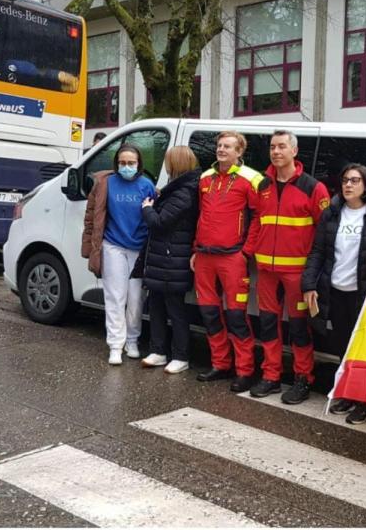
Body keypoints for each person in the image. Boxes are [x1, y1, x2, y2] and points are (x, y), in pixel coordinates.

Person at [301, 163, 366, 424]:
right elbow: (318, 251)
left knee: (364, 348)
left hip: (363, 293)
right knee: (342, 345)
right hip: (335, 291)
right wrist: (309, 284)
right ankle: (350, 393)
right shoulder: (332, 214)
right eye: (345, 181)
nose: (348, 185)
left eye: (355, 181)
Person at [245, 130, 330, 404]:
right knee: (268, 325)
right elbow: (258, 221)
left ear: (294, 151)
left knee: (298, 328)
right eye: (272, 147)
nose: (276, 152)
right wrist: (250, 252)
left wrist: (314, 273)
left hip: (297, 273)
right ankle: (271, 376)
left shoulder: (313, 188)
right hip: (267, 272)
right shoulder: (263, 184)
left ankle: (303, 378)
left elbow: (323, 232)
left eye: (282, 147)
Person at [193, 131, 265, 391]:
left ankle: (245, 370)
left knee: (236, 316)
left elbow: (259, 217)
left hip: (233, 257)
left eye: (228, 146)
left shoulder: (252, 179)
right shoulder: (205, 178)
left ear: (239, 152)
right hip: (204, 256)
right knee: (209, 314)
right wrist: (195, 248)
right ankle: (220, 364)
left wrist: (246, 251)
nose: (222, 150)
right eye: (220, 145)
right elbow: (200, 215)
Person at [81, 145, 157, 365]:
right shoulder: (106, 183)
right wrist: (89, 244)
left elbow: (153, 215)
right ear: (116, 163)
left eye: (131, 163)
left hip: (139, 248)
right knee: (115, 297)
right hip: (112, 245)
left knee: (135, 299)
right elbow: (92, 214)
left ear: (139, 164)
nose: (126, 167)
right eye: (122, 163)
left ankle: (132, 340)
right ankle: (115, 344)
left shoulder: (147, 186)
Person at [139, 146, 202, 374]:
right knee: (156, 306)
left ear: (175, 164)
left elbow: (160, 222)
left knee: (175, 310)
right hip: (163, 258)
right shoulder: (178, 189)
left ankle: (181, 356)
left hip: (172, 259)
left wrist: (146, 209)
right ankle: (158, 351)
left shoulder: (184, 192)